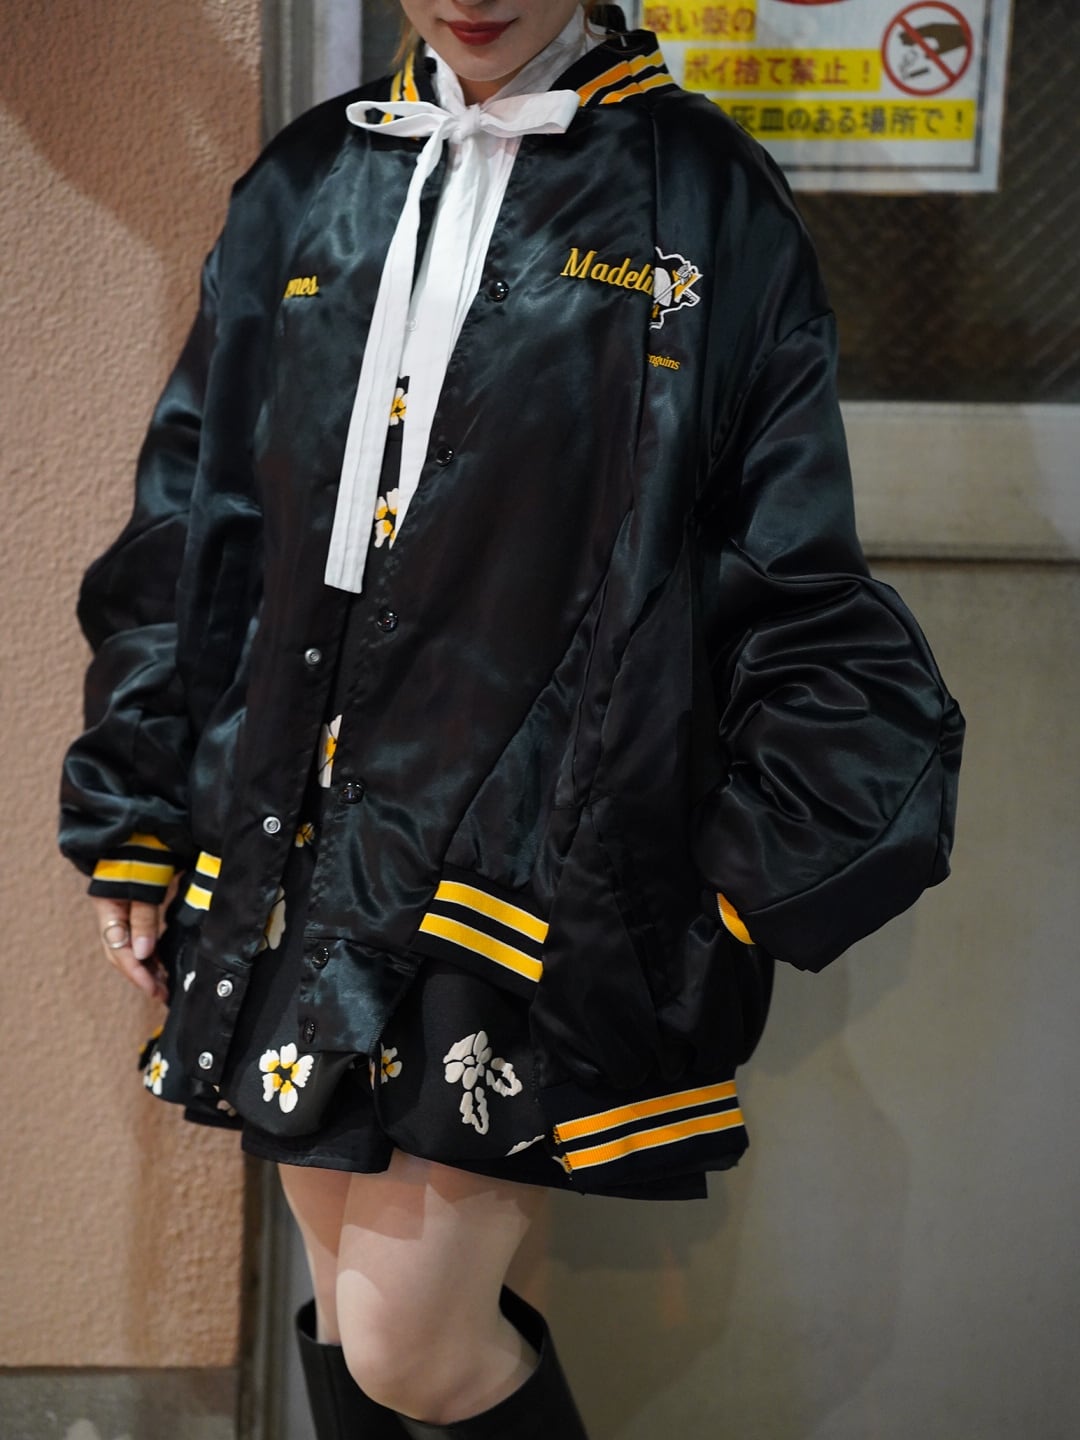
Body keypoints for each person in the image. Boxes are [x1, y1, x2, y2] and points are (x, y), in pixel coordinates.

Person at [59, 3, 964, 1436]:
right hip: (293, 835)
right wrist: (138, 804)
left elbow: (786, 561)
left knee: (408, 1349)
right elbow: (198, 515)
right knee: (354, 1313)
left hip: (527, 856)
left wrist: (741, 879)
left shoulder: (700, 196)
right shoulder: (312, 176)